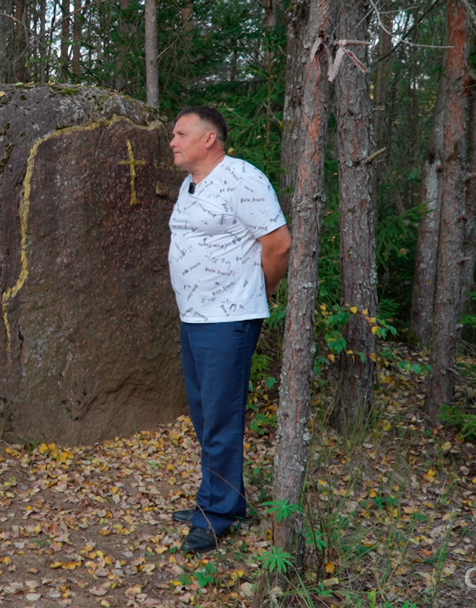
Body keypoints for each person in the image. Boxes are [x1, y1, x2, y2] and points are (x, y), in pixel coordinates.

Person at [167, 106, 292, 553]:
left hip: (229, 319)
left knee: (221, 415)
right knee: (205, 412)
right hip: (195, 317)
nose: (173, 141)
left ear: (209, 140)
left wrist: (260, 290)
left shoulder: (243, 178)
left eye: (181, 134)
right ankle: (223, 498)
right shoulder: (191, 185)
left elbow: (278, 244)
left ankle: (217, 513)